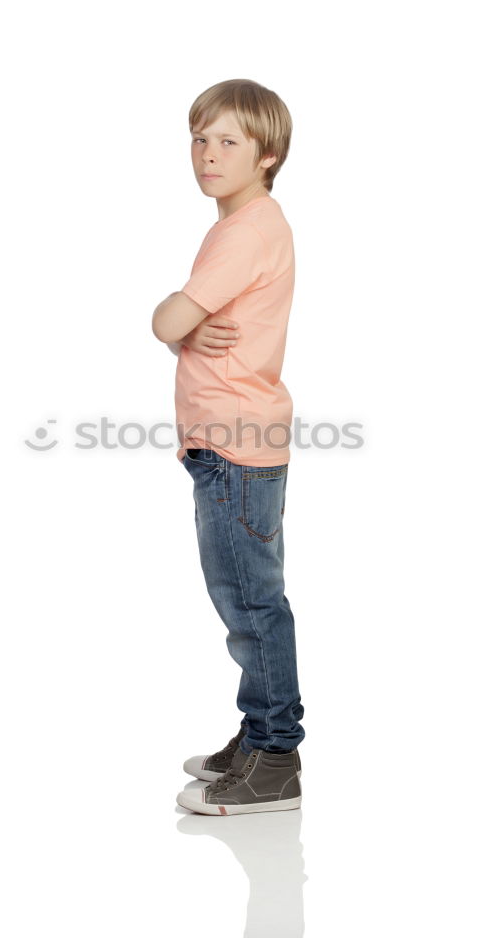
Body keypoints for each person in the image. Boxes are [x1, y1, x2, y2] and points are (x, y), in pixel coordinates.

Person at [152, 78, 304, 815]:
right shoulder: (251, 223)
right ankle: (257, 734)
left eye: (228, 142)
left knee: (251, 606)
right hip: (234, 442)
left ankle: (276, 757)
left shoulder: (245, 230)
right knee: (244, 599)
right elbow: (188, 322)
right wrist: (184, 325)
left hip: (235, 446)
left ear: (267, 155)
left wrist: (174, 322)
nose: (207, 155)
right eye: (199, 138)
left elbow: (166, 318)